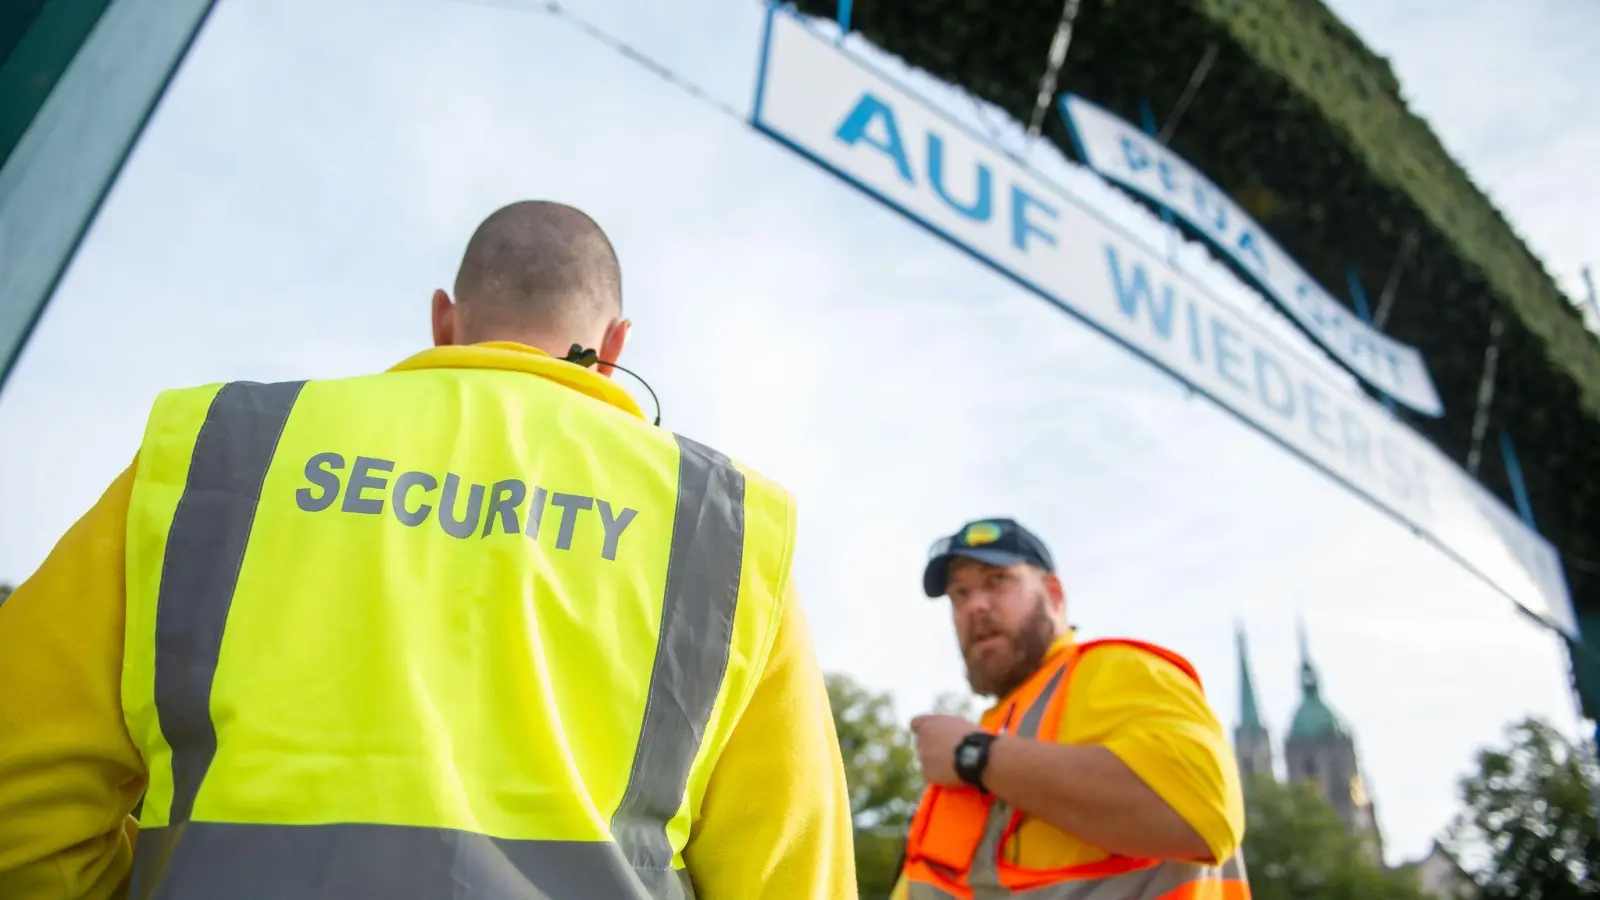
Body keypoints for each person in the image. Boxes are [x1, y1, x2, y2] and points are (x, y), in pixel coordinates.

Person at [0, 201, 857, 900]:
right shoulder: (725, 528)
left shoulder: (218, 449)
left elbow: (20, 793)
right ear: (617, 347)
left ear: (445, 320)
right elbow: (792, 881)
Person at [893, 517, 1249, 899]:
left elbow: (1204, 815)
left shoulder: (1116, 670)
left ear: (1054, 594)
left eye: (997, 580)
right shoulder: (991, 727)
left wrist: (973, 755)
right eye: (959, 594)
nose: (975, 605)